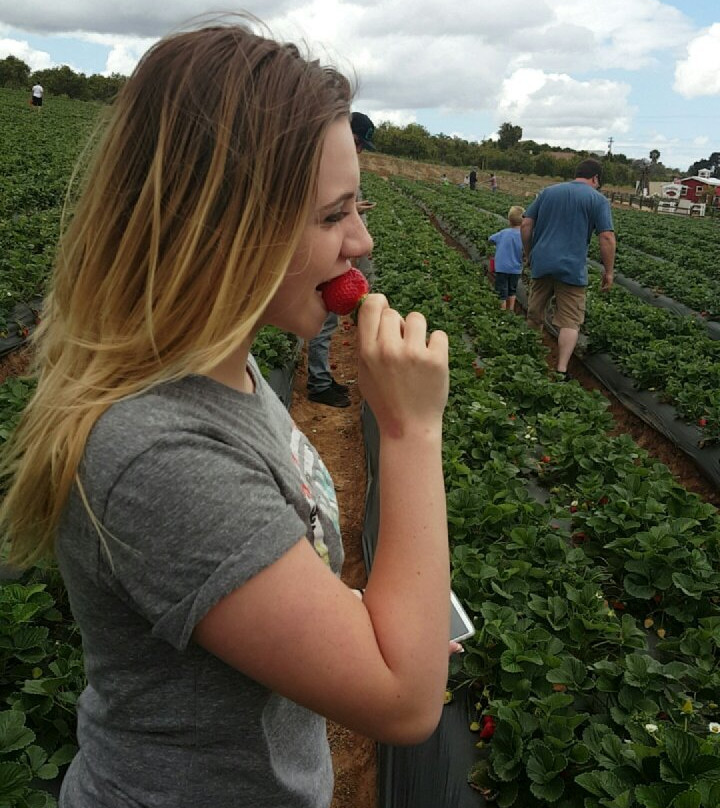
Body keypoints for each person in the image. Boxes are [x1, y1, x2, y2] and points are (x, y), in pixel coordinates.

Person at [0, 22, 453, 808]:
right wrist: (412, 431)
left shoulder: (228, 363)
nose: (363, 240)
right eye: (332, 215)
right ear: (227, 227)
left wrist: (335, 613)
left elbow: (245, 552)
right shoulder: (158, 452)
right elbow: (405, 702)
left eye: (360, 206)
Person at [521, 158, 615, 381]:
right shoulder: (598, 200)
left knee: (535, 312)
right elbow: (607, 237)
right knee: (570, 320)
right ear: (595, 178)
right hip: (571, 268)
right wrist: (608, 271)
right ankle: (561, 370)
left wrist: (529, 253)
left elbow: (525, 224)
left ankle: (528, 357)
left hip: (542, 262)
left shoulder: (548, 192)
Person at [306, 111, 377, 407]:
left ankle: (322, 377)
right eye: (359, 143)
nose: (358, 151)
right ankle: (318, 384)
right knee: (322, 324)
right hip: (324, 263)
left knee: (328, 323)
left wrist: (352, 208)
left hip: (329, 262)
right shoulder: (322, 166)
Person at [488, 205, 524, 312]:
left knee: (501, 291)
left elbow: (490, 239)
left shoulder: (503, 233)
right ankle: (511, 310)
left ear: (509, 220)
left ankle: (502, 312)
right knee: (512, 291)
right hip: (516, 269)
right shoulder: (524, 236)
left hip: (502, 268)